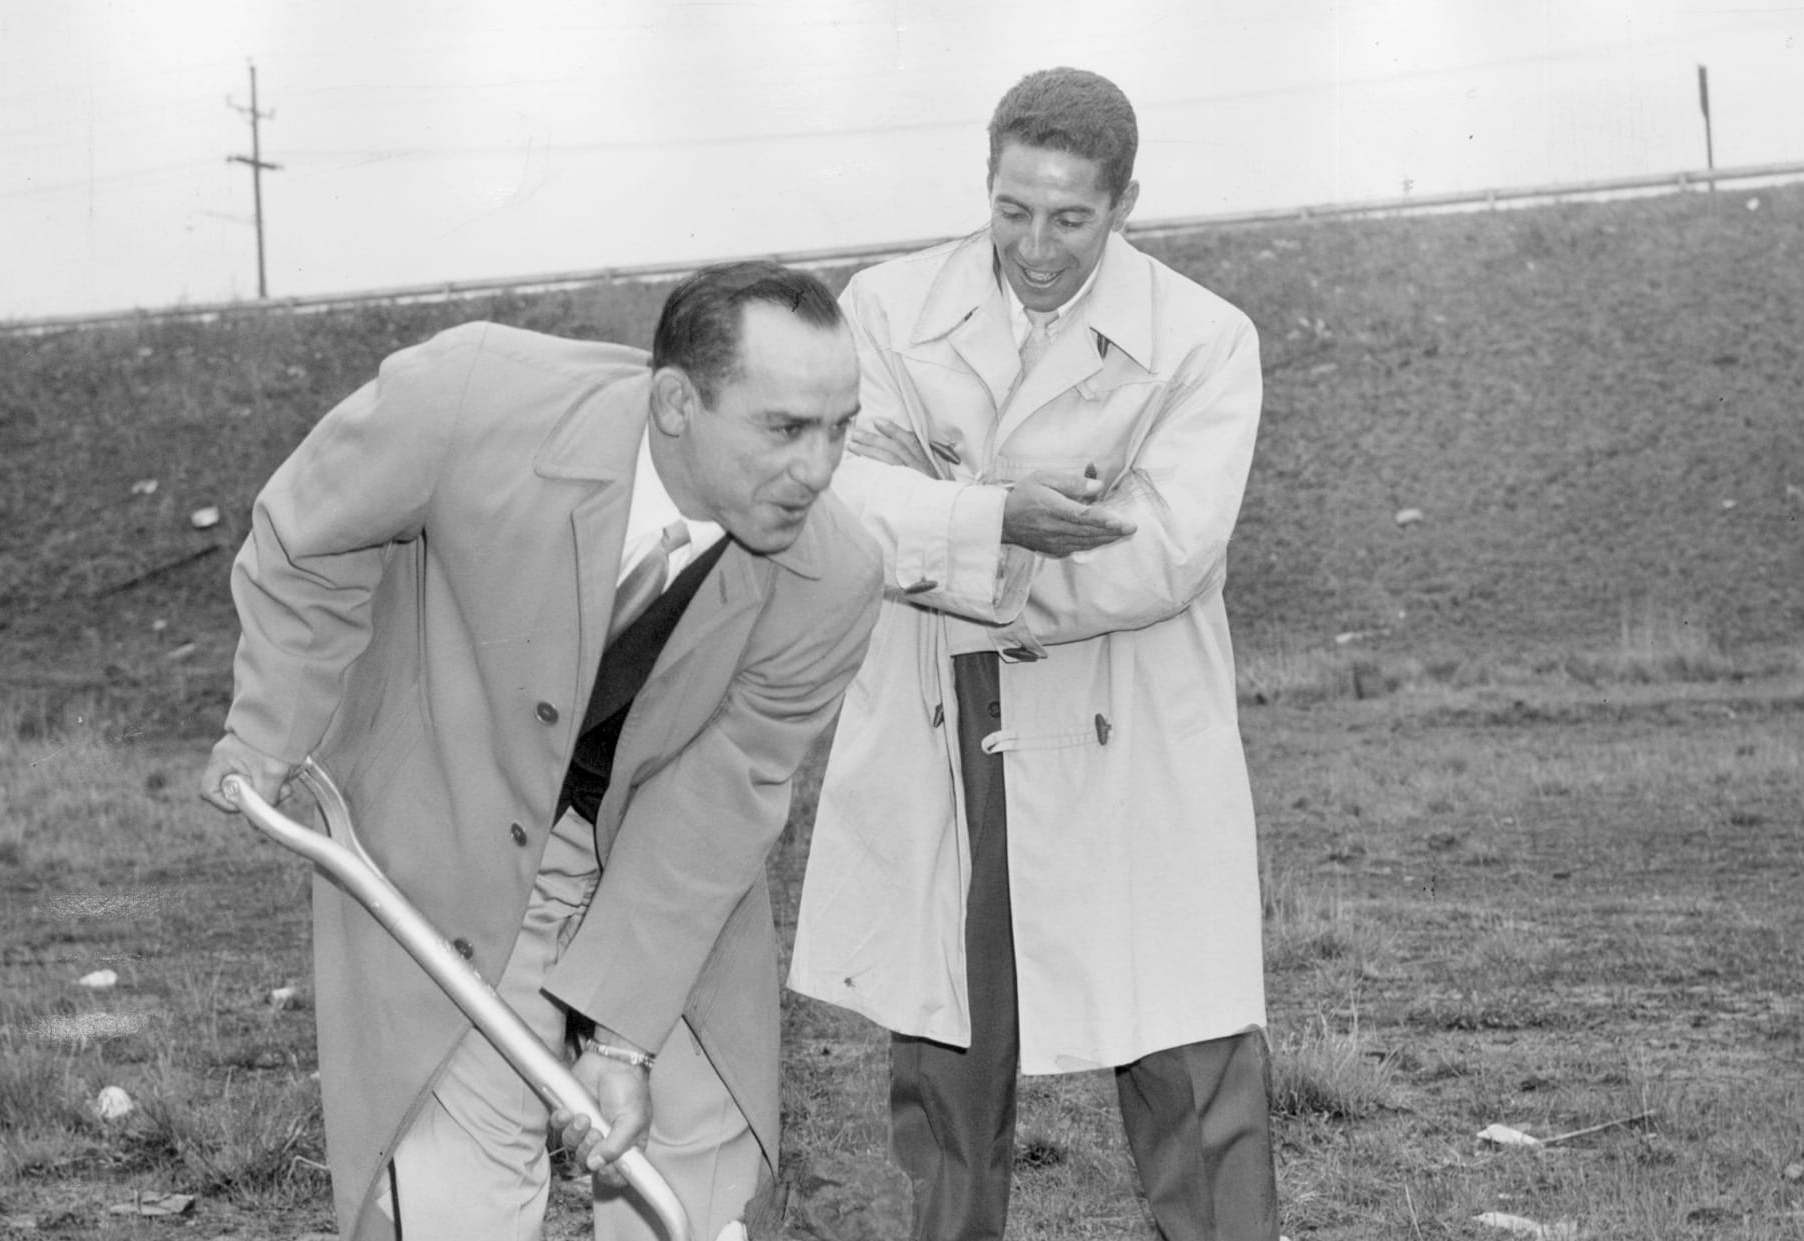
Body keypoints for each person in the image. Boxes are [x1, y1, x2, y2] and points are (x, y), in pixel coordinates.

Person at [199, 260, 881, 1241]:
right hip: (457, 835)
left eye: (840, 427)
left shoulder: (834, 575)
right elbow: (309, 537)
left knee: (693, 1186)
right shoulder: (471, 397)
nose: (819, 470)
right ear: (676, 403)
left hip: (655, 866)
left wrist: (619, 1033)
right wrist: (271, 729)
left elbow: (714, 808)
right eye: (785, 429)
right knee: (457, 1203)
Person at [787, 68, 1278, 1240]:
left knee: (1190, 1059)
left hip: (1130, 727)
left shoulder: (1205, 338)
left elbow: (1166, 548)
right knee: (947, 1060)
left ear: (1125, 203)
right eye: (1013, 210)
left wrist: (947, 530)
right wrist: (998, 514)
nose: (1037, 245)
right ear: (987, 182)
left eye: (1071, 218)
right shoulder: (885, 310)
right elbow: (838, 487)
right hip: (939, 718)